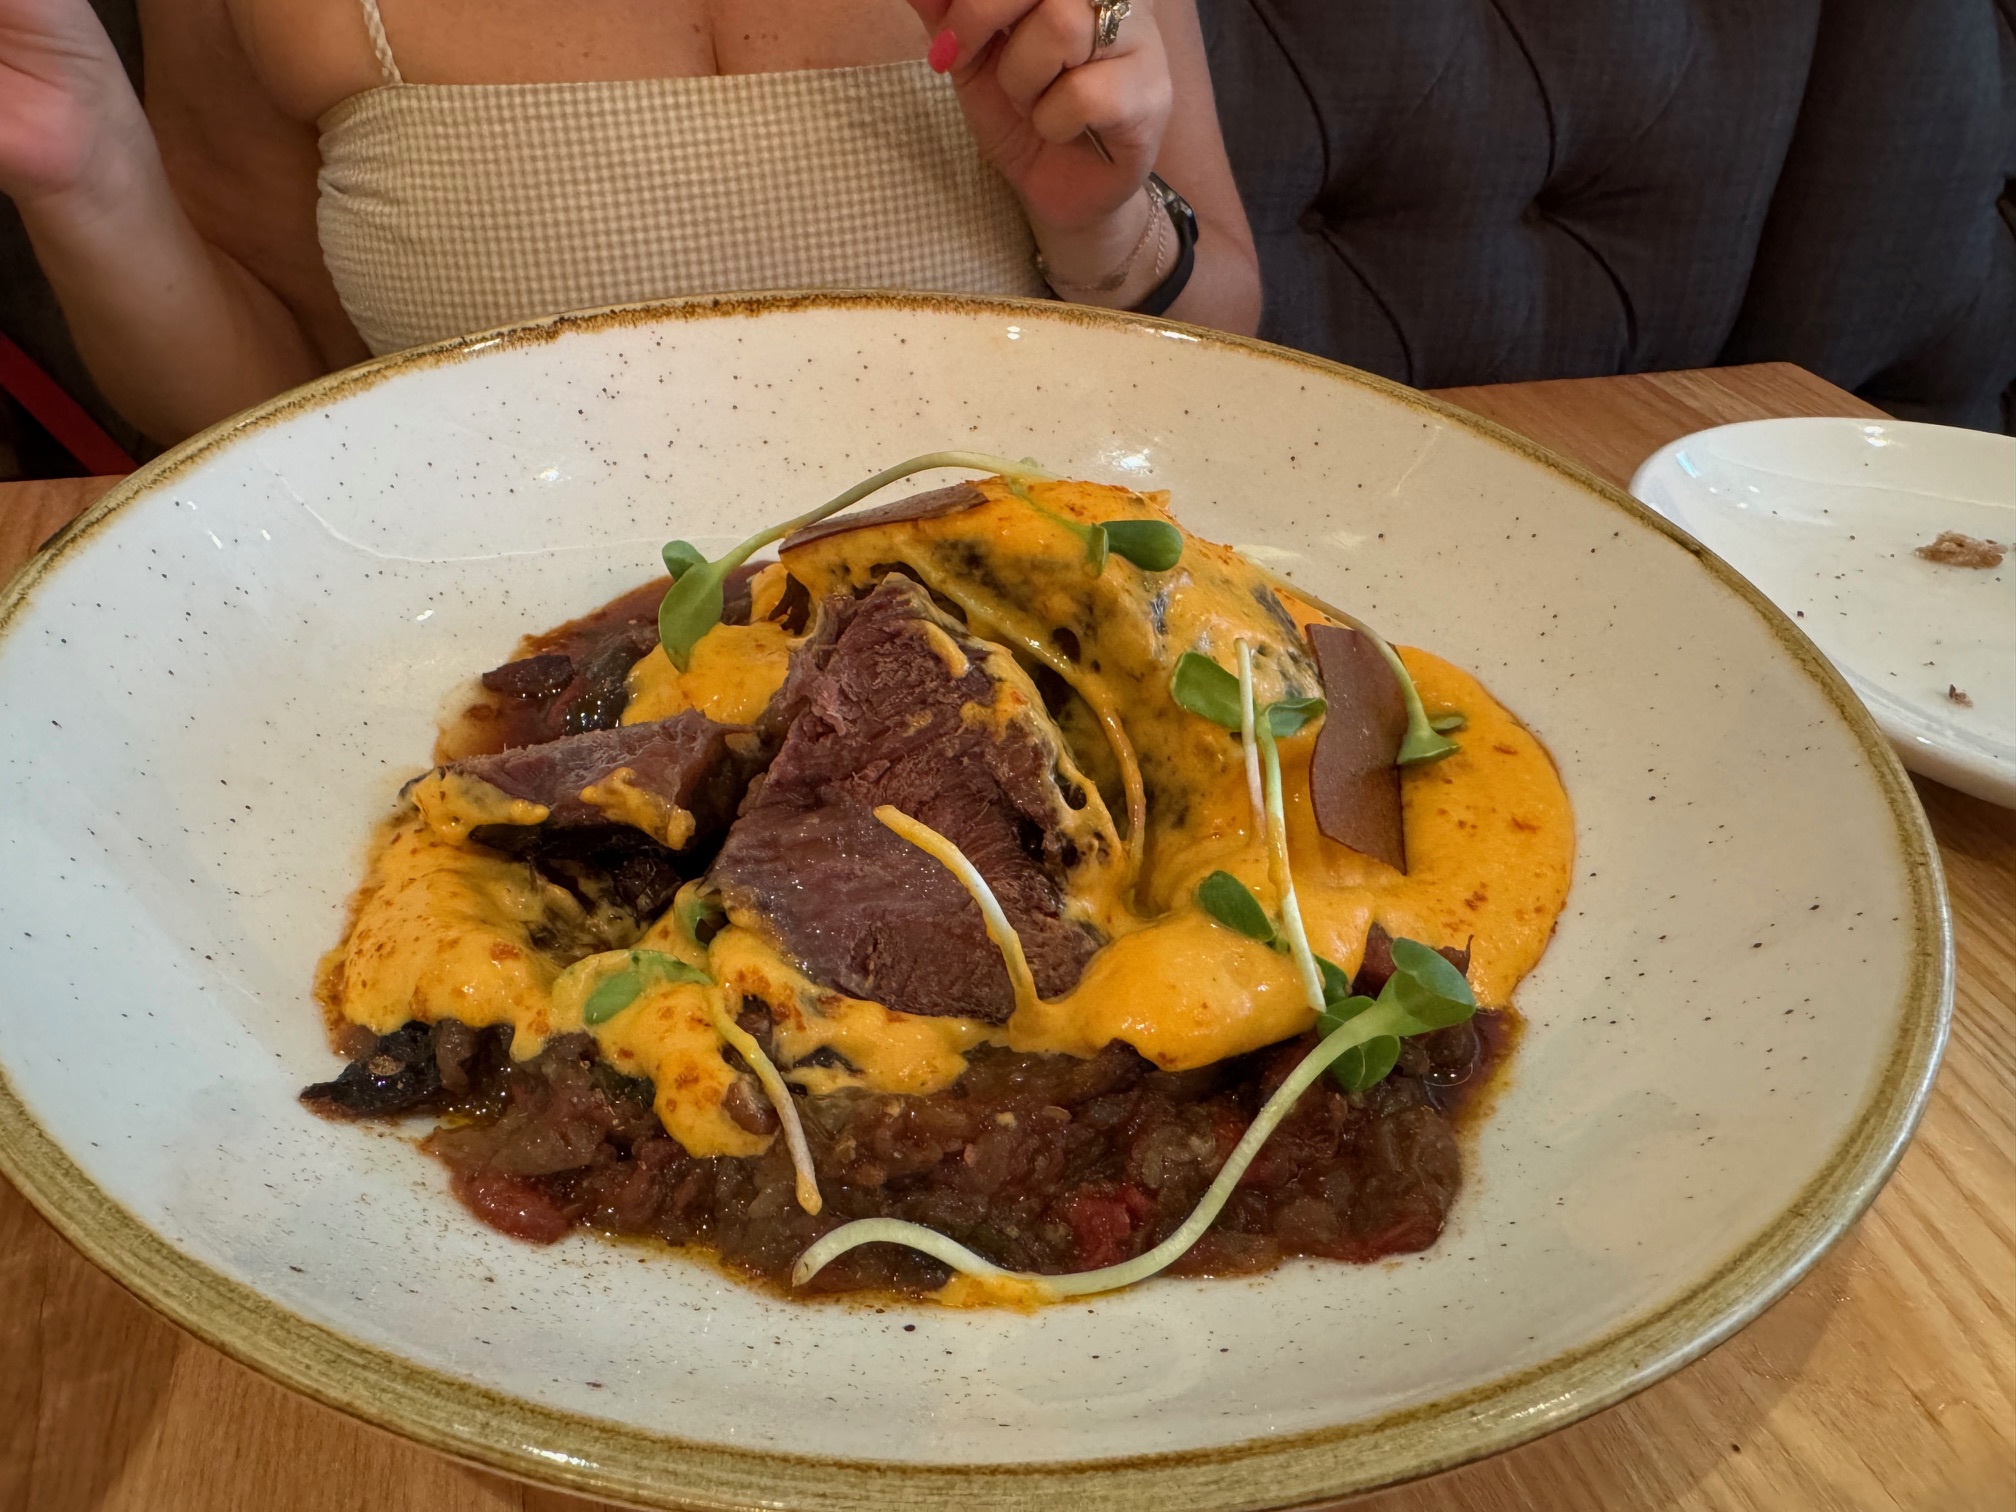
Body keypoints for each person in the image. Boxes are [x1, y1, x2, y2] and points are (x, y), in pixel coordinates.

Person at [0, 0, 1260, 444]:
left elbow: (1231, 336)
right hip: (495, 694)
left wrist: (1105, 235)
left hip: (1037, 651)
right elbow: (283, 412)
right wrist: (89, 172)